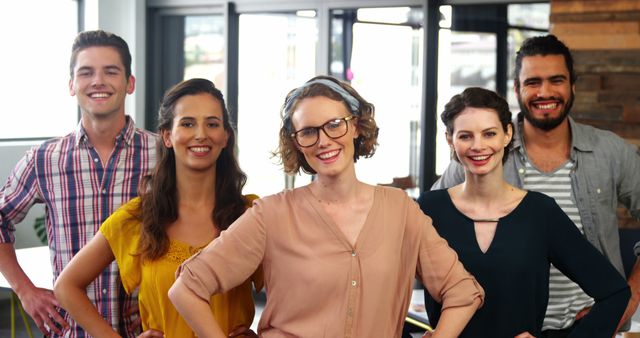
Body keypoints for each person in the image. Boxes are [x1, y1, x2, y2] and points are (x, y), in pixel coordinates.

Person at [167, 75, 484, 337]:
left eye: (335, 124)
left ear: (356, 126)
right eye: (308, 131)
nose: (323, 140)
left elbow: (463, 292)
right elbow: (186, 289)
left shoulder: (401, 211)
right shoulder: (271, 215)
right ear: (295, 142)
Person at [433, 34, 640, 337]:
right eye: (532, 82)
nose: (545, 92)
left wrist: (631, 295)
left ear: (572, 86)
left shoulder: (610, 152)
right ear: (516, 89)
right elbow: (433, 220)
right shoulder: (482, 154)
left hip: (586, 326)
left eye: (556, 80)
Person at [54, 78, 262, 338]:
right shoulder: (138, 217)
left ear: (224, 137)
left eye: (212, 124)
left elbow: (297, 287)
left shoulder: (251, 214)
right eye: (187, 123)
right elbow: (66, 286)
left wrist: (267, 333)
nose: (201, 134)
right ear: (167, 136)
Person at [0, 30, 156, 337]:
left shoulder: (162, 155)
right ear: (72, 85)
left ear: (130, 83)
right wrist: (24, 289)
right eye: (86, 73)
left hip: (146, 330)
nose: (98, 81)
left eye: (111, 71)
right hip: (72, 331)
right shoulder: (44, 159)